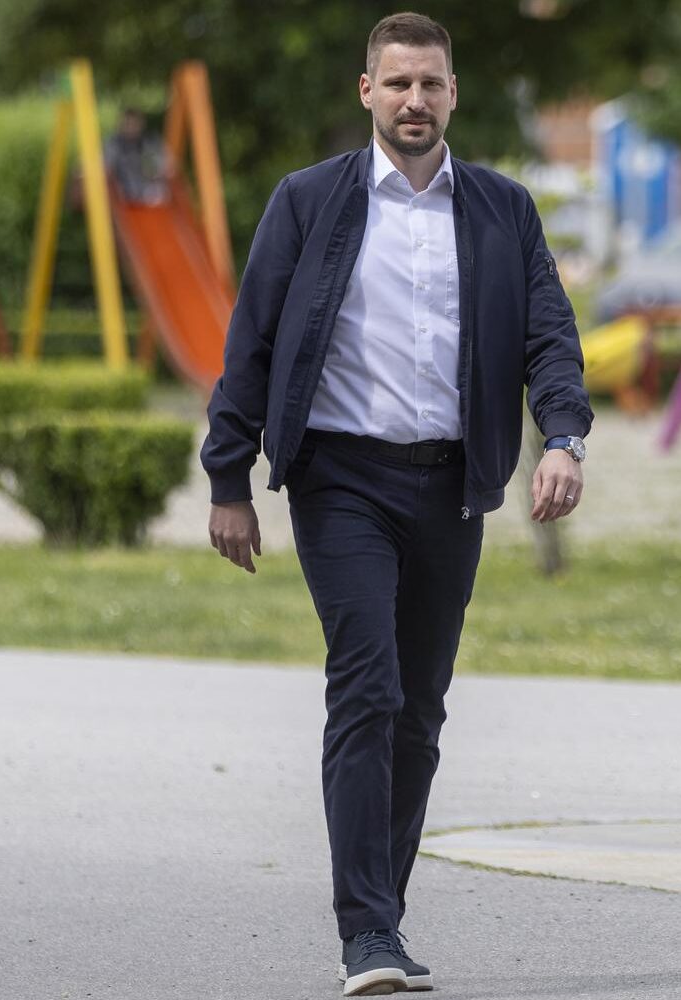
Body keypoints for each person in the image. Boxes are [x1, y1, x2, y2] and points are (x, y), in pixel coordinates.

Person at [199, 12, 592, 996]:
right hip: (340, 480)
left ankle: (385, 915)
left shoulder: (502, 208)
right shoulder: (308, 201)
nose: (415, 100)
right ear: (366, 90)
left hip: (451, 485)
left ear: (453, 94)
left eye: (431, 84)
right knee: (367, 685)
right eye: (398, 83)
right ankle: (366, 931)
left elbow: (548, 334)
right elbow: (252, 340)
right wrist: (227, 479)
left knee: (418, 709)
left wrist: (564, 438)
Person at [104, 107, 172, 204]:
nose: (131, 127)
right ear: (121, 125)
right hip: (124, 195)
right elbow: (105, 167)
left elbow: (167, 167)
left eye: (135, 124)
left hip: (150, 194)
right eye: (128, 124)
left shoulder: (150, 142)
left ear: (141, 125)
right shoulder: (113, 144)